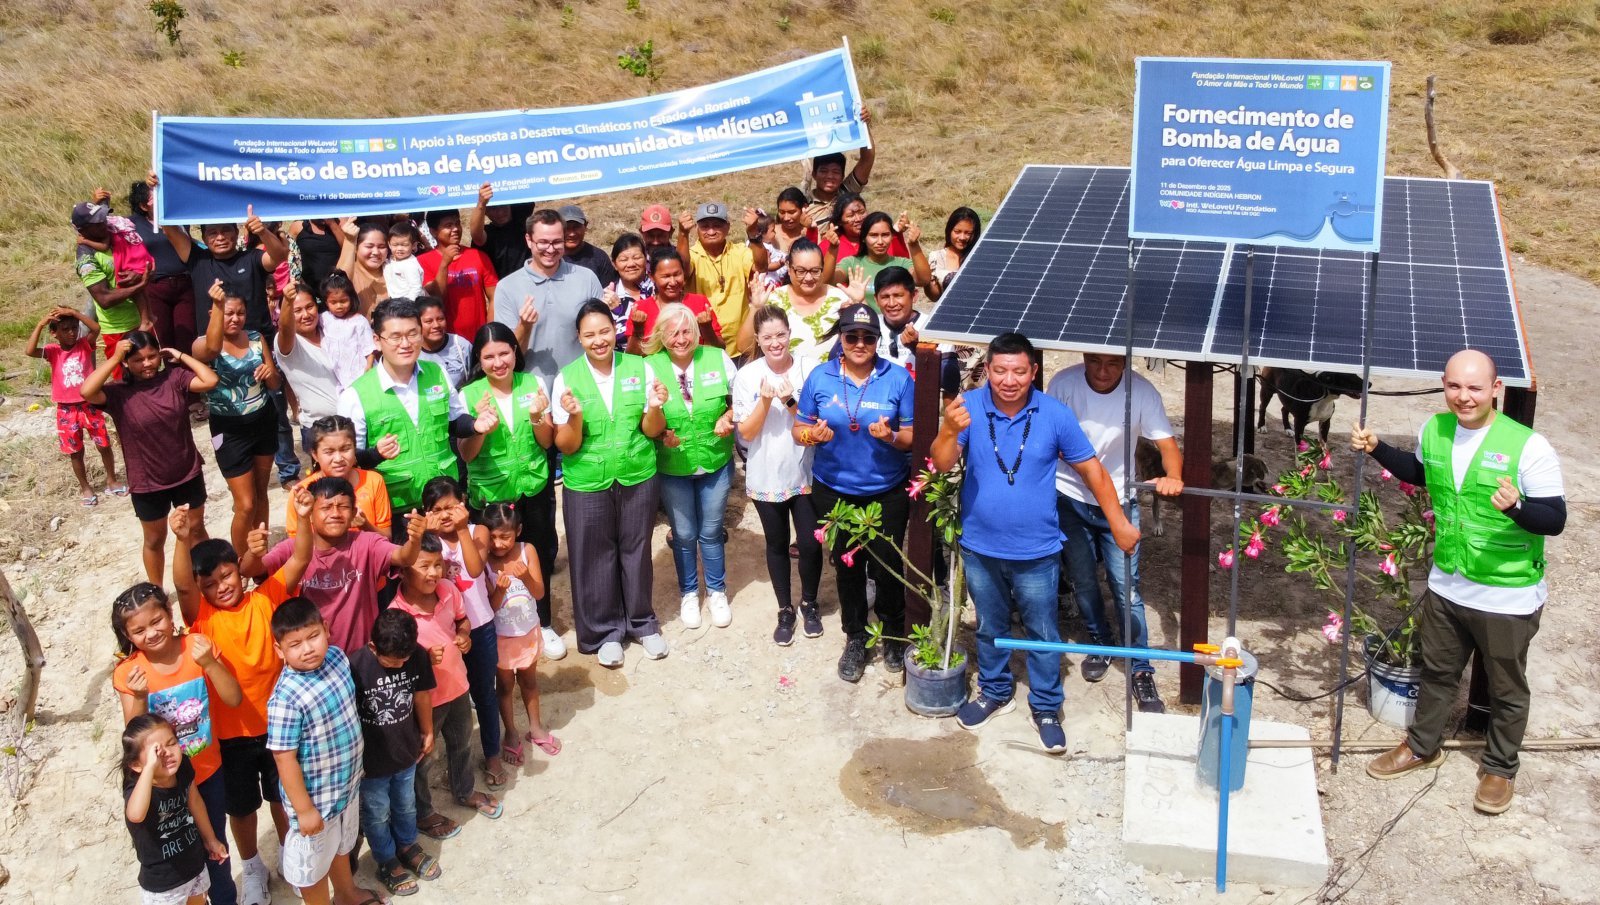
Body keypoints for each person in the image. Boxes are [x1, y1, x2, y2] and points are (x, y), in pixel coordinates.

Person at [1354, 349, 1566, 815]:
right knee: (1438, 672)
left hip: (1507, 592)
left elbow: (1554, 520)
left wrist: (1516, 508)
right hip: (1448, 585)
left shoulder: (1528, 445)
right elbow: (1421, 473)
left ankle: (1499, 768)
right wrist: (1377, 450)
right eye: (1454, 386)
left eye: (1474, 388)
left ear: (1495, 390)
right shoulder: (1435, 429)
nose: (1463, 397)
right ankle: (1422, 746)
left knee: (1507, 687)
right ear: (1444, 386)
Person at [934, 334, 1141, 749]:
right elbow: (940, 464)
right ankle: (995, 691)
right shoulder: (968, 409)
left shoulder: (1055, 415)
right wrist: (947, 430)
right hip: (980, 546)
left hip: (1038, 550)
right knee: (990, 625)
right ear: (987, 370)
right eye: (999, 370)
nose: (1008, 380)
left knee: (1042, 630)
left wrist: (1118, 522)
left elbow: (1093, 471)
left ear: (1033, 372)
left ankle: (1046, 704)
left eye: (1018, 371)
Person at [172, 501, 311, 905]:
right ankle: (251, 867)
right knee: (243, 808)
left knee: (282, 798)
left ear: (239, 568)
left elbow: (301, 556)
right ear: (201, 589)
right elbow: (181, 585)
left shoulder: (265, 598)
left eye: (227, 575)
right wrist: (181, 540)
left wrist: (301, 517)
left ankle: (290, 855)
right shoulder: (202, 618)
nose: (222, 586)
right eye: (211, 583)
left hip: (280, 726)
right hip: (230, 736)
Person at [1047, 352, 1184, 712]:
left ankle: (1140, 667)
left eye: (1112, 363)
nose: (1103, 371)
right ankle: (1100, 641)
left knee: (1127, 587)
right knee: (1083, 579)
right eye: (1095, 362)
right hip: (1070, 496)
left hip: (1120, 500)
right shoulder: (1063, 384)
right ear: (1084, 359)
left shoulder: (1142, 392)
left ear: (1124, 363)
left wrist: (1173, 476)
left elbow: (1166, 444)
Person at [794, 303, 914, 682]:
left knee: (888, 566)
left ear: (878, 341)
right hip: (835, 492)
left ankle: (893, 634)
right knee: (848, 566)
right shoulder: (820, 376)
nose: (860, 343)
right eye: (852, 336)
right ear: (840, 339)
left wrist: (891, 436)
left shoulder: (897, 378)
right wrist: (813, 435)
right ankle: (856, 637)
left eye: (868, 337)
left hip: (886, 491)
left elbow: (911, 437)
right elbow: (799, 428)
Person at [551, 300, 670, 666]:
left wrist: (654, 407)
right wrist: (574, 417)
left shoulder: (639, 367)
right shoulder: (567, 378)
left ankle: (641, 622)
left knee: (636, 550)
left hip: (636, 473)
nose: (599, 340)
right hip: (587, 480)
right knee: (593, 556)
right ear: (579, 338)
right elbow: (565, 446)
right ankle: (604, 633)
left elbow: (653, 431)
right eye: (590, 334)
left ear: (615, 330)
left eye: (604, 331)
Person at [112, 584, 243, 905]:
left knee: (216, 848)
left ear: (170, 615)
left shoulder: (197, 648)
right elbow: (133, 734)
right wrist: (140, 696)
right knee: (178, 857)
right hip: (163, 788)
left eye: (156, 621)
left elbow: (234, 698)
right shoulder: (129, 672)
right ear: (128, 636)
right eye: (139, 630)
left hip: (207, 773)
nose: (151, 633)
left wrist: (210, 663)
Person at [337, 297, 493, 538]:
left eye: (413, 334)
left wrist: (474, 425)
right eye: (396, 337)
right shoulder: (355, 395)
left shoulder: (436, 372)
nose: (406, 343)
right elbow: (350, 460)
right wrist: (376, 453)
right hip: (398, 509)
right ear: (377, 341)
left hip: (445, 502)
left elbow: (453, 421)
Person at [460, 321, 566, 659]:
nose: (498, 362)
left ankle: (543, 622)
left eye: (504, 352)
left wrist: (538, 416)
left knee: (538, 555)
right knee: (490, 564)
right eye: (489, 356)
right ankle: (492, 631)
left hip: (532, 488)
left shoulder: (532, 383)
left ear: (515, 351)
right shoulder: (468, 394)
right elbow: (466, 454)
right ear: (479, 359)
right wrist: (480, 428)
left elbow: (547, 441)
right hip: (491, 497)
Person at [81, 332, 218, 584]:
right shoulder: (118, 394)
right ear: (126, 363)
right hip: (148, 482)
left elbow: (210, 380)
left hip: (186, 470)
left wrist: (180, 355)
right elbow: (87, 390)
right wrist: (114, 359)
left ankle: (206, 581)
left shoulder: (174, 378)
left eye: (152, 356)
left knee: (196, 530)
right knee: (155, 540)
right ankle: (157, 591)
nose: (147, 364)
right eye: (138, 360)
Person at [390, 532, 504, 837]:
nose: (433, 573)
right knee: (424, 757)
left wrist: (465, 635)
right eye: (424, 566)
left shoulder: (448, 590)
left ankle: (464, 790)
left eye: (438, 565)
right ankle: (423, 812)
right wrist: (421, 657)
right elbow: (393, 663)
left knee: (462, 743)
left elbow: (462, 620)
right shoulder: (396, 614)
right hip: (426, 700)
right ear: (402, 570)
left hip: (458, 687)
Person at [265, 598, 378, 905]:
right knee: (313, 870)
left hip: (346, 786)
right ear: (280, 651)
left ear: (326, 629)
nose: (308, 649)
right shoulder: (285, 698)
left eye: (313, 636)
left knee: (341, 847)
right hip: (315, 799)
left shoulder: (338, 659)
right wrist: (303, 810)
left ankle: (346, 893)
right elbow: (283, 757)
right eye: (295, 644)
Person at [245, 476, 423, 655]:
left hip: (362, 655)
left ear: (353, 513)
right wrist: (253, 553)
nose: (335, 514)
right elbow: (251, 570)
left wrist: (415, 540)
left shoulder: (367, 542)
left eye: (343, 507)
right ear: (310, 514)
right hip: (314, 660)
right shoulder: (293, 548)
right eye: (326, 507)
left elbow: (403, 557)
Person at [643, 304, 739, 630]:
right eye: (672, 332)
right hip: (673, 467)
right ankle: (688, 592)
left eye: (686, 331)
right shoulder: (649, 367)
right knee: (684, 534)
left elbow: (739, 401)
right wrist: (660, 433)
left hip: (715, 460)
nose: (680, 338)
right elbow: (645, 421)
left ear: (696, 333)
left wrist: (729, 417)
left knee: (711, 532)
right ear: (661, 335)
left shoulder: (716, 358)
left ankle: (716, 591)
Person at [732, 304, 823, 645]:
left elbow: (812, 420)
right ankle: (785, 608)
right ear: (757, 339)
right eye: (767, 337)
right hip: (766, 472)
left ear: (789, 333)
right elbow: (748, 433)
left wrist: (788, 400)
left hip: (805, 470)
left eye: (780, 335)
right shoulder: (747, 376)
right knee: (777, 543)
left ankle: (810, 602)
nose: (775, 343)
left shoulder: (809, 369)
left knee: (812, 544)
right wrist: (765, 402)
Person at [420, 477, 506, 789]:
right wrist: (427, 535)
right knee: (449, 698)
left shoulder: (477, 531)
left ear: (464, 502)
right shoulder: (427, 541)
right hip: (445, 633)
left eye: (451, 506)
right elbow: (433, 573)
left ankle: (493, 753)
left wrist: (460, 529)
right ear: (426, 512)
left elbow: (472, 568)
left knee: (485, 692)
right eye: (437, 509)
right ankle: (456, 758)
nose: (445, 514)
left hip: (480, 625)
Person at [350, 609, 441, 897]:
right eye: (394, 661)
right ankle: (386, 859)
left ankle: (407, 846)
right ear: (373, 646)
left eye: (405, 659)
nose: (401, 664)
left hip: (406, 753)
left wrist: (427, 731)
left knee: (406, 804)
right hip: (370, 763)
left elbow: (422, 694)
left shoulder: (417, 655)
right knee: (376, 814)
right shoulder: (354, 666)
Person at [193, 283, 282, 557]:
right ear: (214, 312)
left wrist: (269, 373)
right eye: (228, 313)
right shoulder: (204, 344)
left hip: (263, 421)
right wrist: (218, 309)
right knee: (244, 504)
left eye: (240, 313)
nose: (235, 318)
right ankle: (241, 559)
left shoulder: (256, 338)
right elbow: (209, 348)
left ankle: (261, 555)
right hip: (229, 431)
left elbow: (275, 384)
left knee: (261, 493)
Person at [120, 714, 230, 905]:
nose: (168, 753)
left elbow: (194, 800)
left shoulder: (183, 767)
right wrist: (149, 769)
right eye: (156, 752)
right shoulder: (138, 790)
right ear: (136, 765)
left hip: (194, 866)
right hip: (164, 883)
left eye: (171, 743)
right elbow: (135, 815)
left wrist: (210, 839)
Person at [481, 504, 560, 764]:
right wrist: (500, 590)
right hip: (502, 637)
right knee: (504, 686)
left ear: (519, 531)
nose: (498, 543)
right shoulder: (485, 562)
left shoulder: (528, 552)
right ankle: (511, 733)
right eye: (492, 536)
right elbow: (490, 607)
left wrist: (525, 577)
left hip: (527, 631)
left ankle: (535, 728)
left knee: (529, 682)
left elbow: (539, 593)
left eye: (505, 536)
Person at [493, 208, 604, 388]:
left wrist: (607, 309)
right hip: (530, 391)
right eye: (543, 242)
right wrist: (524, 326)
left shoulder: (587, 278)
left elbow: (600, 337)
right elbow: (505, 356)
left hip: (580, 387)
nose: (550, 250)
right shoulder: (507, 287)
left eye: (557, 242)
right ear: (529, 240)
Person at [26, 305, 124, 506]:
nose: (71, 333)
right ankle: (85, 488)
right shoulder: (53, 352)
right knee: (75, 451)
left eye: (74, 328)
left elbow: (95, 329)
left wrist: (74, 314)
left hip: (91, 404)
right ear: (54, 333)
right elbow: (29, 351)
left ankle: (112, 479)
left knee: (103, 444)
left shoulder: (84, 345)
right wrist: (40, 324)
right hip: (66, 409)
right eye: (65, 329)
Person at [736, 238, 857, 360]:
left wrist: (858, 304)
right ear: (789, 268)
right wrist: (756, 308)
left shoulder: (840, 298)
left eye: (815, 271)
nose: (808, 277)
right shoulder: (774, 300)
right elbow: (744, 347)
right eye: (801, 271)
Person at [675, 201, 769, 353]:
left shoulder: (739, 251)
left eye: (717, 226)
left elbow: (761, 266)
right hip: (703, 348)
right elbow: (682, 270)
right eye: (705, 226)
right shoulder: (691, 254)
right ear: (697, 229)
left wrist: (753, 233)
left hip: (741, 346)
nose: (711, 231)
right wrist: (683, 234)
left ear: (728, 227)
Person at [282, 416, 392, 537]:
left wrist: (365, 525)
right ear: (315, 455)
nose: (338, 459)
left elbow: (386, 538)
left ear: (355, 448)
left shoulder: (373, 481)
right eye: (329, 452)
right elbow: (294, 547)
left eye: (345, 449)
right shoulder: (301, 493)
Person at [74, 200, 153, 360]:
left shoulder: (116, 235)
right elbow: (104, 299)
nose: (104, 223)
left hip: (143, 321)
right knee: (124, 378)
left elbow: (143, 262)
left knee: (148, 373)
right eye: (97, 223)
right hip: (118, 329)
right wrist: (139, 286)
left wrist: (141, 274)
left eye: (103, 218)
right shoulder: (86, 256)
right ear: (83, 230)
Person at [127, 181, 196, 353]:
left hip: (185, 284)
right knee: (164, 339)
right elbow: (100, 225)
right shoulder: (132, 224)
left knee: (187, 337)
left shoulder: (178, 218)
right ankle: (170, 377)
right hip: (155, 287)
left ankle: (186, 377)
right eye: (153, 197)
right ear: (143, 206)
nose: (160, 198)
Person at [273, 283, 342, 454]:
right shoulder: (287, 342)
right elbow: (285, 328)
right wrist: (287, 302)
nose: (306, 315)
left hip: (352, 421)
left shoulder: (331, 329)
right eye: (297, 311)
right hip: (319, 428)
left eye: (310, 307)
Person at [624, 247, 724, 355]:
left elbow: (720, 349)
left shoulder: (699, 303)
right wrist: (638, 329)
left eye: (677, 274)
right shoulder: (641, 308)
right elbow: (632, 356)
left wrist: (707, 328)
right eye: (665, 276)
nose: (672, 282)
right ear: (652, 277)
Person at [420, 209, 498, 341]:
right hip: (443, 341)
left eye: (457, 223)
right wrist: (445, 263)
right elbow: (436, 298)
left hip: (479, 338)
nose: (455, 229)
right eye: (448, 226)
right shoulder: (422, 262)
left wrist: (490, 330)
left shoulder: (478, 255)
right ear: (433, 231)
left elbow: (495, 297)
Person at [830, 211, 932, 292]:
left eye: (885, 235)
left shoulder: (902, 264)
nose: (880, 242)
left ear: (892, 236)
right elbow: (828, 281)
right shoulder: (851, 263)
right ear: (863, 238)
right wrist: (833, 248)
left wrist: (914, 245)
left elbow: (924, 280)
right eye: (873, 235)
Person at [804, 127, 876, 230]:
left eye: (835, 172)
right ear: (814, 174)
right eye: (824, 171)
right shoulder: (804, 203)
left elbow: (867, 159)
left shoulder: (846, 193)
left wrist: (864, 126)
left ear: (842, 176)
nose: (829, 176)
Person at [316, 270, 375, 394]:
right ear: (326, 302)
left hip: (359, 374)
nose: (339, 306)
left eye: (343, 301)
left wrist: (369, 368)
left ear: (351, 298)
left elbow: (369, 349)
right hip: (337, 377)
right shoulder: (324, 318)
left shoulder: (359, 321)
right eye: (333, 302)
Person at [467, 183, 536, 279]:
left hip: (530, 282)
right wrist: (481, 203)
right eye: (493, 209)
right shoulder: (489, 233)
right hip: (502, 288)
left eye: (503, 206)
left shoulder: (523, 223)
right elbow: (476, 236)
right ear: (485, 212)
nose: (499, 212)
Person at [333, 220, 390, 314]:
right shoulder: (351, 272)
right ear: (356, 248)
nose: (376, 252)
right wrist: (350, 240)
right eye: (369, 246)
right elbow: (339, 283)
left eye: (381, 247)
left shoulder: (394, 270)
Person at [418, 295, 473, 389]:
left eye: (440, 319)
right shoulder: (412, 352)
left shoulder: (461, 346)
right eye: (429, 321)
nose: (436, 325)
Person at [558, 204, 620, 287]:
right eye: (566, 228)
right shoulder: (550, 257)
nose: (571, 234)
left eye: (576, 227)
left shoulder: (599, 257)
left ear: (585, 226)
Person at [926, 207, 980, 299]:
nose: (962, 237)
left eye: (968, 233)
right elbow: (934, 296)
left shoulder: (980, 257)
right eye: (957, 232)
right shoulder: (937, 257)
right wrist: (927, 280)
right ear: (949, 231)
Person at [606, 234, 650, 345]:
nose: (631, 264)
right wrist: (616, 313)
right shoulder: (607, 297)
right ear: (614, 264)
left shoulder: (660, 288)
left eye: (636, 258)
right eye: (623, 260)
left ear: (646, 259)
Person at [286, 219, 344, 299]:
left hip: (336, 289)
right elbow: (289, 254)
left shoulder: (338, 224)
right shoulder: (298, 226)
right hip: (308, 289)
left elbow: (348, 248)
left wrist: (332, 224)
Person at [383, 222, 427, 300]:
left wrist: (406, 305)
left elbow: (416, 288)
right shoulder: (389, 261)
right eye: (395, 245)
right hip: (394, 302)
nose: (399, 248)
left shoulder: (411, 265)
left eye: (404, 245)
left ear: (413, 245)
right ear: (389, 244)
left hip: (408, 304)